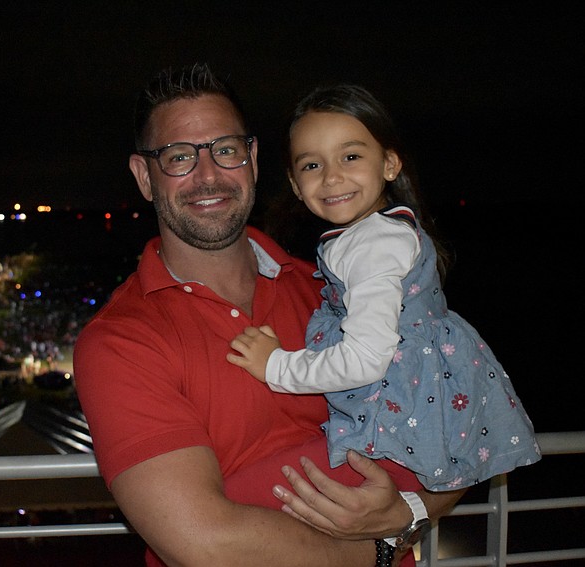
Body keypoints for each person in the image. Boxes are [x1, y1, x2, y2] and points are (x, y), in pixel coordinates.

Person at [74, 64, 464, 567]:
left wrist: (407, 511)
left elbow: (459, 432)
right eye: (178, 158)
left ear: (253, 160)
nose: (208, 174)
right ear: (144, 177)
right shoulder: (121, 341)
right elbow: (204, 544)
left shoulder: (337, 293)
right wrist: (379, 548)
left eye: (227, 150)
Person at [227, 84, 540, 494]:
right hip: (415, 417)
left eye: (351, 156)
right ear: (294, 181)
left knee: (242, 492)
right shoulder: (386, 231)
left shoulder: (372, 246)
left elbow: (365, 360)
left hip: (394, 427)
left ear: (390, 163)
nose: (333, 176)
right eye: (311, 166)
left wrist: (275, 366)